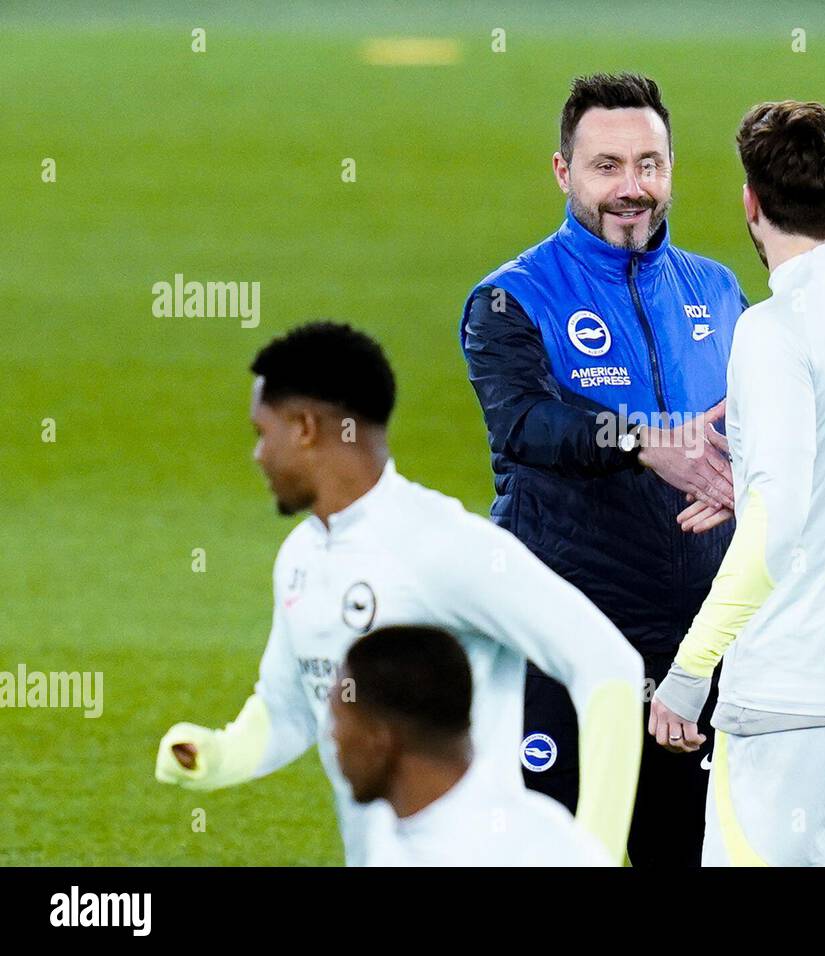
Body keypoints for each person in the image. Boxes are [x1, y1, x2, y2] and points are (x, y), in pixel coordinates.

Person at [154, 321, 643, 865]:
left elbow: (609, 664)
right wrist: (215, 755)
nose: (258, 455)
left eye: (261, 433)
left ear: (307, 429)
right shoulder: (301, 556)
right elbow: (293, 707)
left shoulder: (443, 545)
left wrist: (591, 851)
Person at [460, 73, 748, 866]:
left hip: (691, 655)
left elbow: (765, 434)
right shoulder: (510, 299)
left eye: (649, 165)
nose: (633, 188)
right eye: (608, 166)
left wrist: (743, 481)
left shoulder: (720, 293)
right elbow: (524, 422)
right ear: (564, 172)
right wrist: (644, 438)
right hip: (560, 646)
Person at [650, 101, 825, 866]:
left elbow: (777, 528)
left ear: (751, 203)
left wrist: (687, 673)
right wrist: (753, 473)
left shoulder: (772, 332)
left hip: (792, 697)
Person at [331, 624, 611, 866]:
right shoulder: (388, 839)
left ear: (381, 740)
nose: (333, 738)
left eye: (339, 721)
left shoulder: (537, 849)